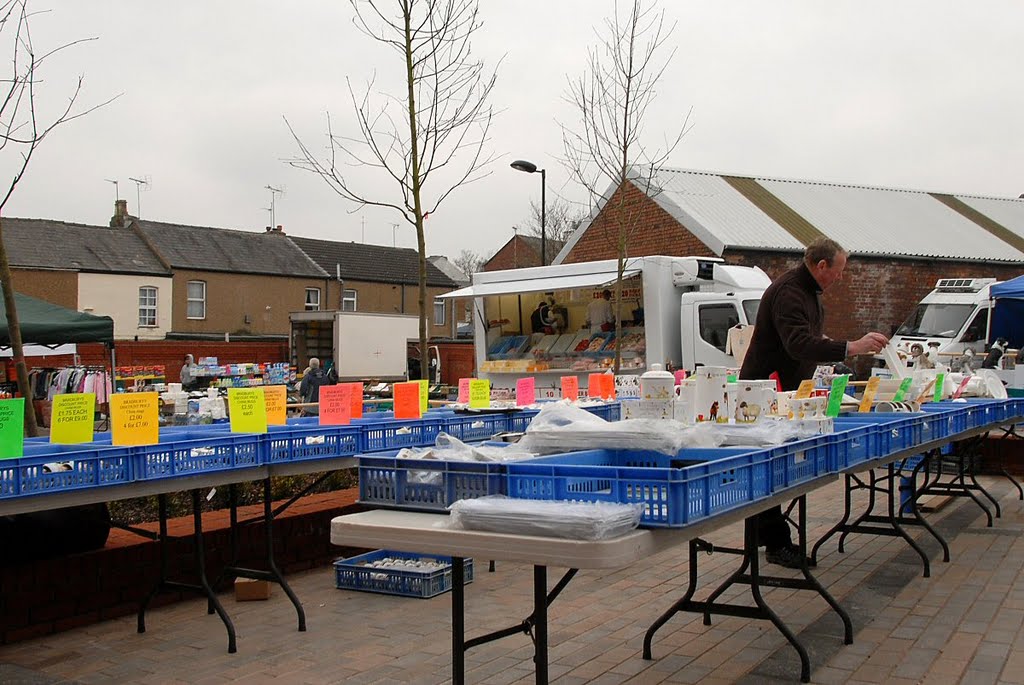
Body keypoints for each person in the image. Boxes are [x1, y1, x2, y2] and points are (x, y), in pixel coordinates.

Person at [740, 237, 889, 568]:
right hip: (766, 394)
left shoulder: (808, 293)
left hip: (788, 393)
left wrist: (830, 359)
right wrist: (851, 347)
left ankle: (767, 539)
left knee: (775, 469)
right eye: (838, 271)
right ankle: (775, 543)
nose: (840, 278)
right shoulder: (790, 292)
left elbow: (809, 341)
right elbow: (798, 344)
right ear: (821, 265)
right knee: (769, 467)